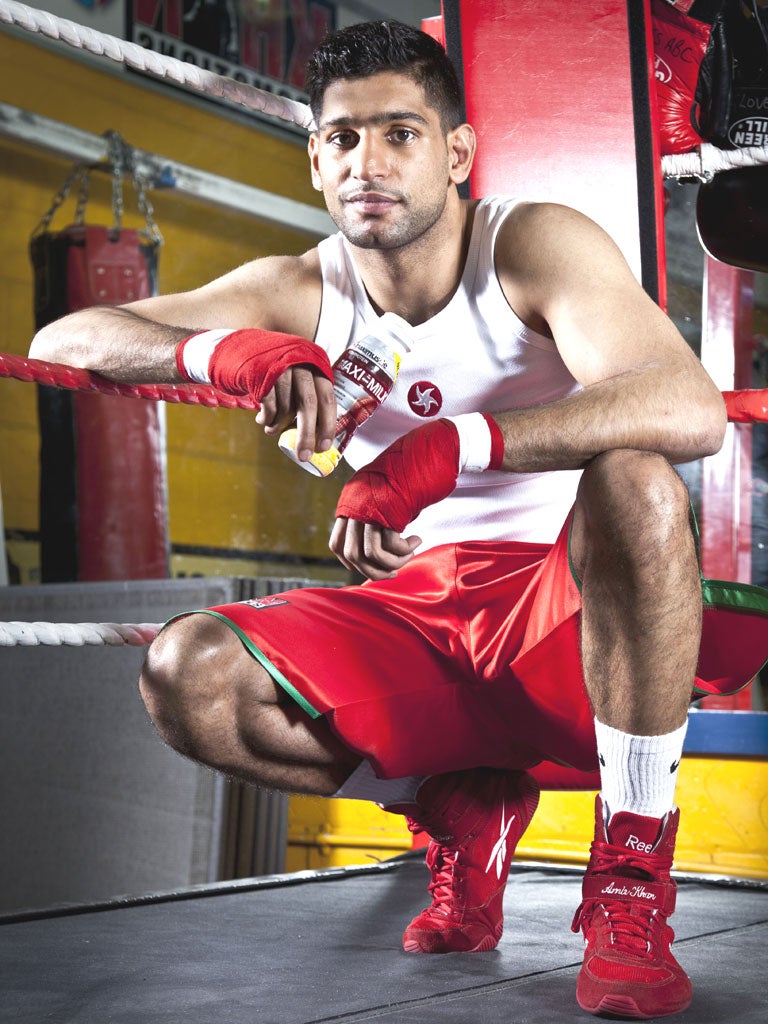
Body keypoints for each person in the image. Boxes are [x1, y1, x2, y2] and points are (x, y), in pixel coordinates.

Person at [29, 20, 768, 1021]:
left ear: (456, 152)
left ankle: (632, 879)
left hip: (565, 612)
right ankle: (452, 807)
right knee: (184, 675)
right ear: (315, 157)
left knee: (637, 477)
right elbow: (66, 336)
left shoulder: (529, 242)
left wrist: (448, 450)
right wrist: (236, 355)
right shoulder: (299, 288)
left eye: (399, 133)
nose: (366, 163)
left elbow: (684, 407)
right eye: (341, 138)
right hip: (416, 621)